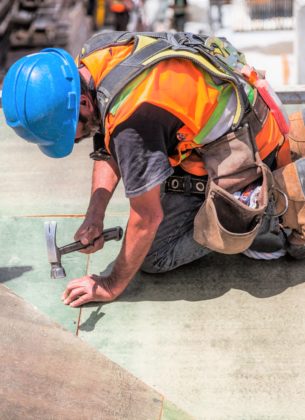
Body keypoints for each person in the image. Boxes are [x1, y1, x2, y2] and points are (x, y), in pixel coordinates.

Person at [2, 31, 305, 307]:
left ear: (82, 102)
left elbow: (147, 217)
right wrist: (94, 216)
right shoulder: (95, 55)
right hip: (213, 129)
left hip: (247, 148)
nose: (78, 138)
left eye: (73, 132)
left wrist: (111, 284)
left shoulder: (135, 120)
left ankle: (282, 200)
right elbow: (107, 143)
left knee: (156, 255)